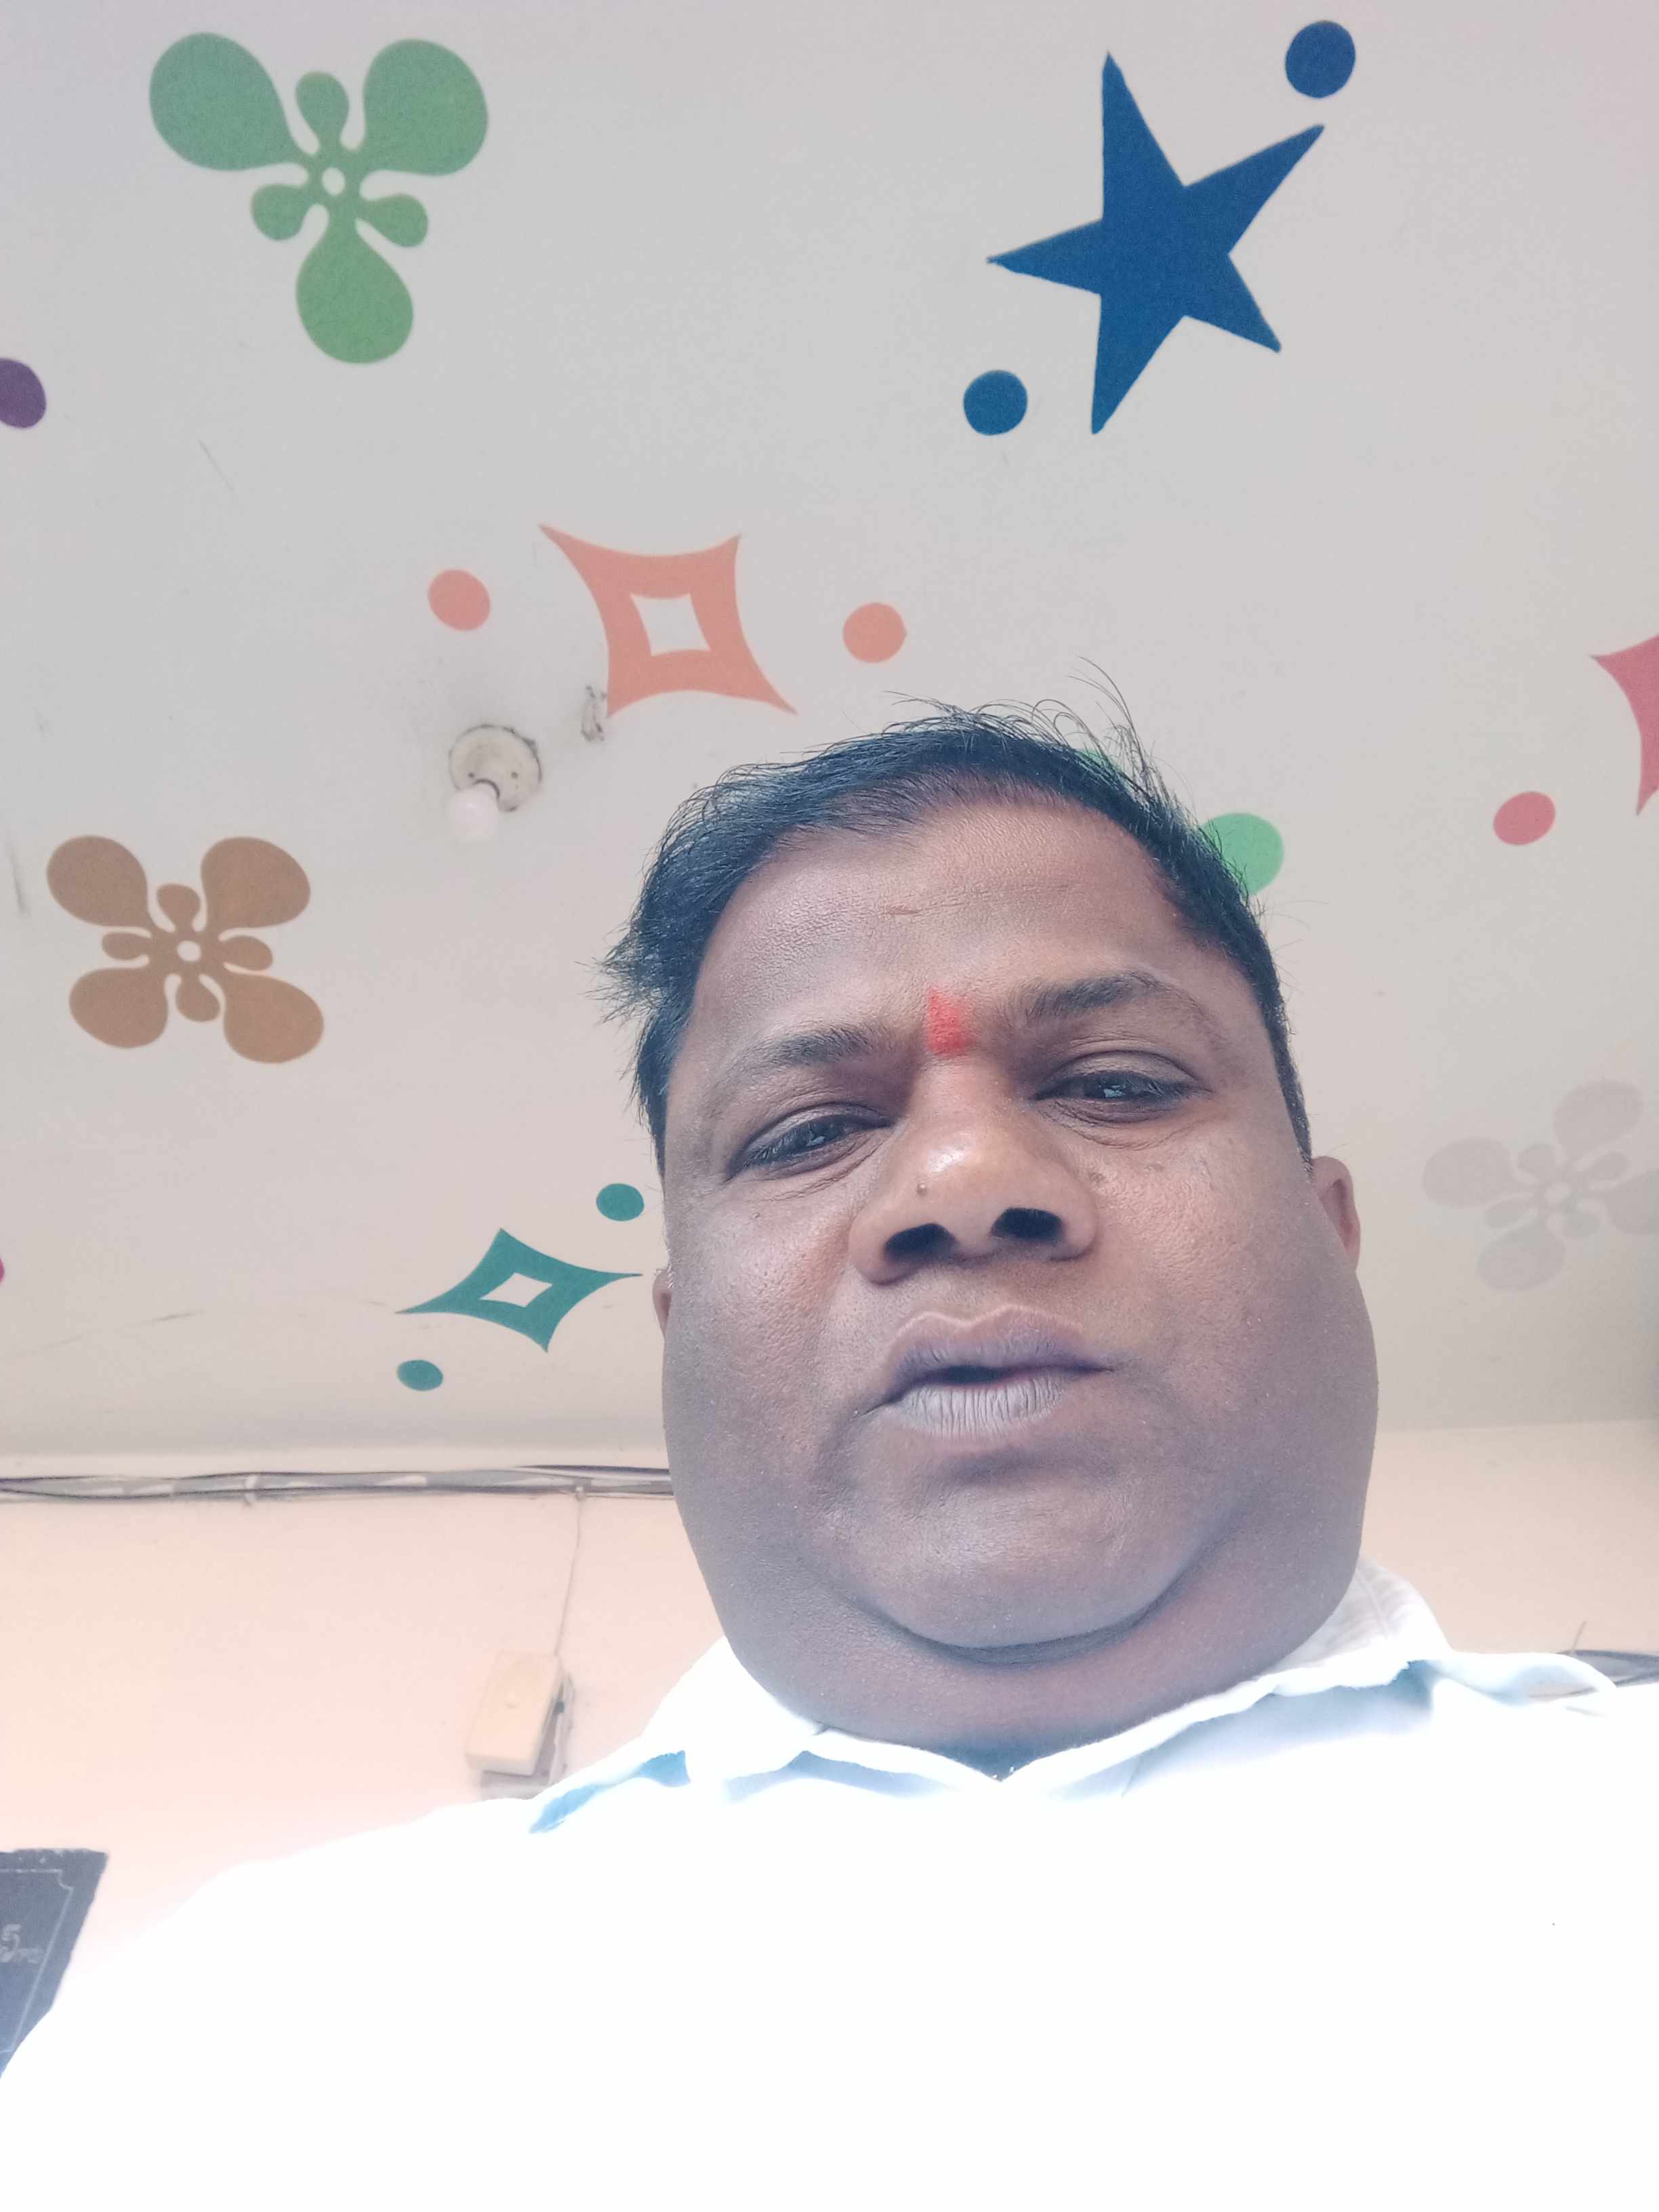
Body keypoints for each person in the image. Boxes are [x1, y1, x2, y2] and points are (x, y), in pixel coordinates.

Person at [3, 710, 1652, 2209]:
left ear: (1331, 1229)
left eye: (1114, 1082)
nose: (964, 1182)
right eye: (808, 1132)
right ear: (675, 1332)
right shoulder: (240, 2031)